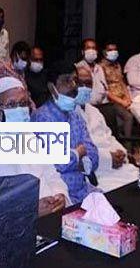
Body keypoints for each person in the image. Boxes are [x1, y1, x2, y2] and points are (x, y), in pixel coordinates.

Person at [0, 76, 68, 216]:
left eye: (23, 103)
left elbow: (52, 175)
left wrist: (60, 195)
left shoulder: (29, 136)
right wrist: (30, 211)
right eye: (11, 104)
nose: (20, 109)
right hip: (13, 225)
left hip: (51, 216)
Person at [32, 62, 99, 204]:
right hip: (60, 197)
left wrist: (74, 156)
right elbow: (57, 164)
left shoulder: (75, 115)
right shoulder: (42, 117)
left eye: (74, 80)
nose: (73, 85)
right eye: (66, 81)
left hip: (84, 190)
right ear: (52, 87)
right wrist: (79, 154)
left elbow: (93, 154)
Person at [76, 66, 139, 193]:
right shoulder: (67, 114)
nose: (84, 87)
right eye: (80, 83)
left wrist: (121, 152)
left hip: (117, 164)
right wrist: (108, 159)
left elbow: (109, 136)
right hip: (96, 171)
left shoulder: (94, 111)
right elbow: (79, 151)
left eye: (88, 83)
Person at [91, 41, 135, 139]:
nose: (113, 52)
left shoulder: (117, 65)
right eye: (110, 50)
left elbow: (122, 82)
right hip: (111, 101)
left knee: (138, 111)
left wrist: (128, 98)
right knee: (128, 117)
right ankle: (127, 143)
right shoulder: (100, 67)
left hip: (123, 98)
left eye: (115, 49)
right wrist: (121, 102)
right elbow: (105, 90)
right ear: (104, 52)